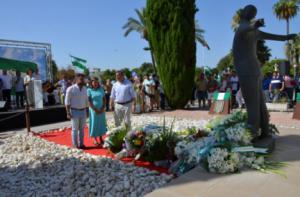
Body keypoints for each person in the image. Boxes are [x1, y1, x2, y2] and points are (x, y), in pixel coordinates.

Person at [232, 4, 296, 138]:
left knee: (251, 105)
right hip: (254, 69)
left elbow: (245, 29)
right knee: (260, 103)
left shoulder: (244, 29)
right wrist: (286, 38)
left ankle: (252, 134)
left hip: (246, 70)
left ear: (244, 13)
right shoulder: (250, 30)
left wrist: (254, 26)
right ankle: (265, 131)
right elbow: (273, 36)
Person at [65, 73, 88, 149]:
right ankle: (75, 145)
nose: (81, 80)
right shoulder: (70, 89)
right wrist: (68, 112)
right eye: (80, 78)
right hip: (74, 111)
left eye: (82, 78)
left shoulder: (85, 89)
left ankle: (81, 144)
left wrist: (87, 111)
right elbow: (67, 102)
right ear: (76, 79)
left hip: (83, 111)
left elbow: (86, 101)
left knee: (82, 129)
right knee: (75, 129)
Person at [87, 77, 107, 146]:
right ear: (91, 83)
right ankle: (95, 139)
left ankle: (101, 138)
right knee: (94, 124)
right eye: (94, 82)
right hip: (93, 110)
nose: (95, 83)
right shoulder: (89, 90)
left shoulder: (101, 89)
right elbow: (89, 101)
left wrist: (103, 107)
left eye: (96, 82)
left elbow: (104, 99)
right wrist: (95, 109)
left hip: (101, 109)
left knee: (101, 123)